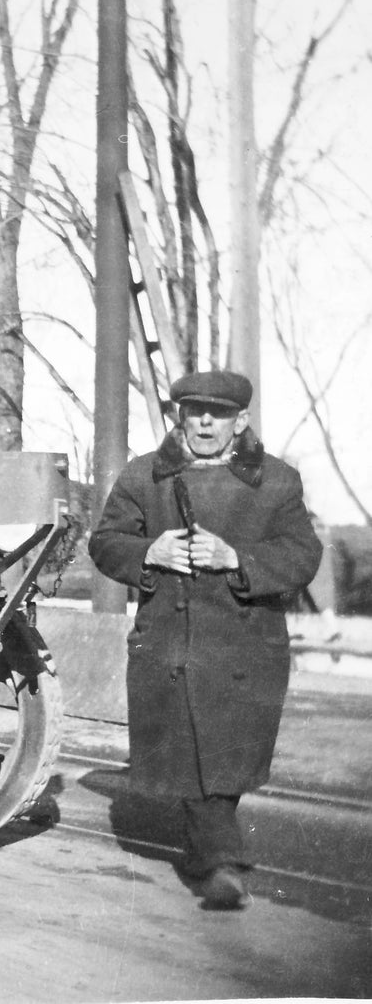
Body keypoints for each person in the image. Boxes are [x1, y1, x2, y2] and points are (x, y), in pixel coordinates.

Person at [88, 370, 322, 911]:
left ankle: (211, 852)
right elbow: (105, 543)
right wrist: (150, 552)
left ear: (241, 421)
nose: (206, 423)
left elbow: (303, 557)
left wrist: (236, 558)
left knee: (223, 757)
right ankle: (221, 862)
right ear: (179, 416)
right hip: (172, 642)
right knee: (196, 748)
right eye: (195, 412)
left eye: (219, 414)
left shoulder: (278, 481)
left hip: (247, 647)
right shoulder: (144, 476)